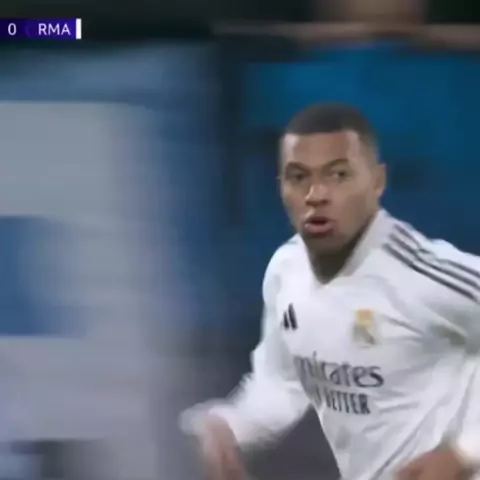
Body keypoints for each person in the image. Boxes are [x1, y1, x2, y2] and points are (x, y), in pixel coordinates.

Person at [180, 103, 480, 480]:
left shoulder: (425, 275)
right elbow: (282, 384)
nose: (316, 194)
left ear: (377, 182)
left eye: (338, 175)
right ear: (281, 188)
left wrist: (465, 451)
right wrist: (228, 424)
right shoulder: (286, 272)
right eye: (299, 177)